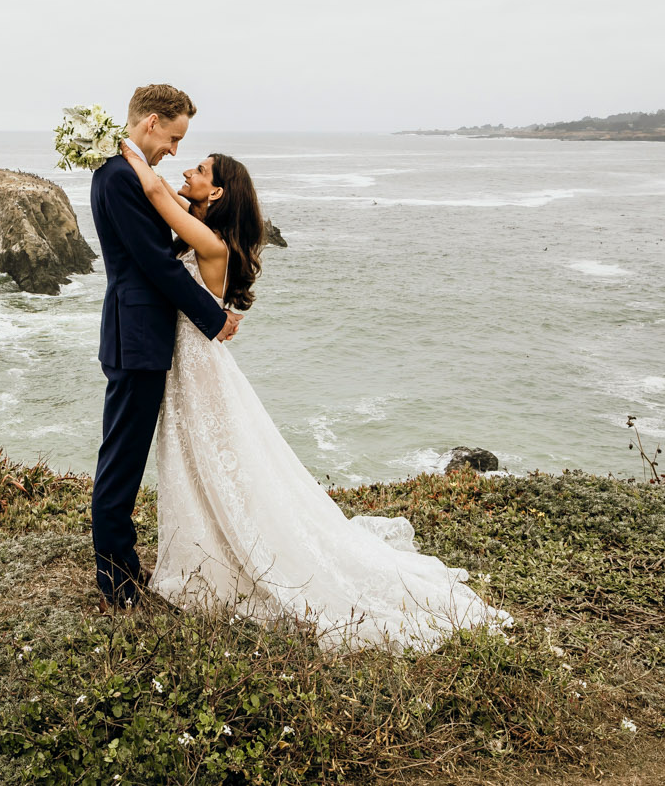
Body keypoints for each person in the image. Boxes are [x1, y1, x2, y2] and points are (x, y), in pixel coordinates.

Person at [115, 129, 512, 652]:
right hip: (188, 367)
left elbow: (156, 195)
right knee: (197, 464)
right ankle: (207, 547)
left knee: (217, 463)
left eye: (201, 171)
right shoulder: (199, 237)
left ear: (216, 195)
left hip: (199, 372)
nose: (187, 170)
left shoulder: (210, 243)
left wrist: (123, 147)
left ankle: (232, 555)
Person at [87, 83, 239, 609]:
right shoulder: (119, 178)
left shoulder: (131, 173)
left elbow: (169, 230)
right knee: (122, 462)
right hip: (137, 338)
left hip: (141, 335)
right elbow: (155, 263)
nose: (175, 151)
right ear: (151, 122)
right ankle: (117, 583)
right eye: (174, 138)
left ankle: (124, 571)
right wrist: (212, 316)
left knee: (124, 457)